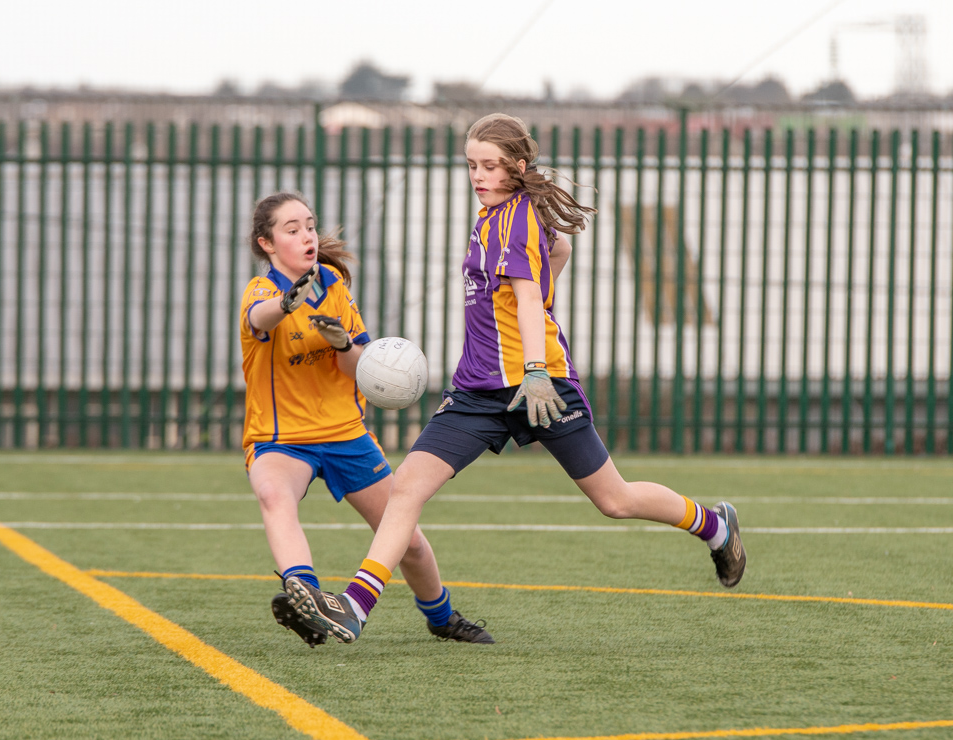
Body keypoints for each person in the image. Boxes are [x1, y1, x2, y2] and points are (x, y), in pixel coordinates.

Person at [283, 114, 745, 644]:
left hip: (539, 386)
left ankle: (715, 525)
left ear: (517, 167)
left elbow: (528, 298)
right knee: (405, 488)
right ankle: (354, 609)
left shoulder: (518, 218)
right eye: (471, 165)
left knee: (615, 500)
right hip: (478, 390)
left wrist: (534, 371)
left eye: (489, 166)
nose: (477, 175)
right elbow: (560, 253)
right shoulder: (491, 217)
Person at [242, 190, 492, 646]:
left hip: (345, 434)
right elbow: (260, 318)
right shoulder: (262, 293)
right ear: (267, 244)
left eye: (310, 226)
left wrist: (342, 344)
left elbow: (358, 368)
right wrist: (288, 304)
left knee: (408, 540)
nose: (307, 236)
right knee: (274, 495)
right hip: (282, 439)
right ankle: (308, 597)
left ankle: (442, 618)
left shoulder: (334, 285)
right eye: (292, 230)